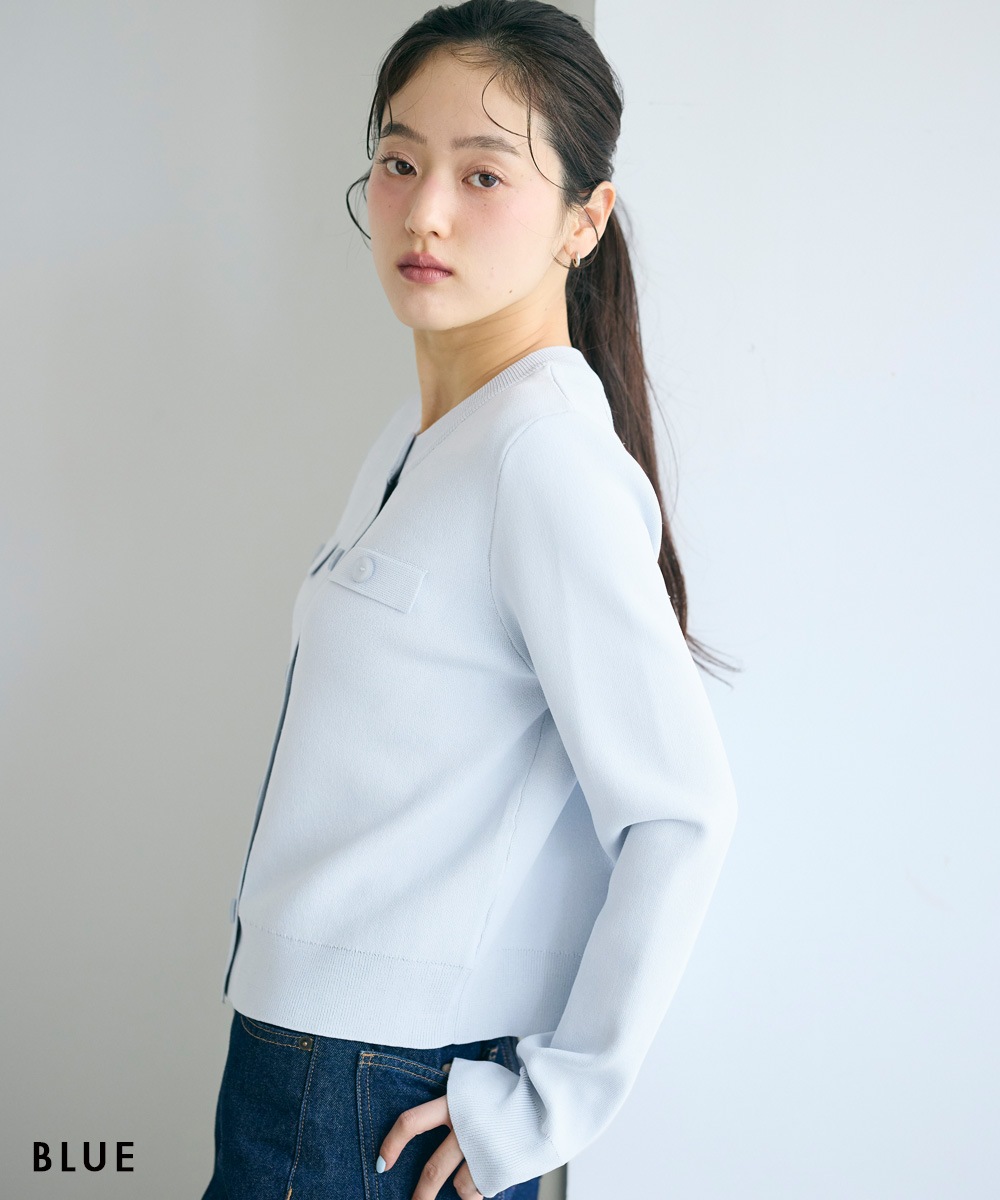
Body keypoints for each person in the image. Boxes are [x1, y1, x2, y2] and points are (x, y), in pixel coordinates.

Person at [201, 2, 740, 1197]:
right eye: (399, 162)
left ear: (582, 220)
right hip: (302, 1061)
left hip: (371, 1089)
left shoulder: (539, 459)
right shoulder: (427, 433)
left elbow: (679, 812)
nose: (425, 211)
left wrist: (547, 1108)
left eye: (483, 174)